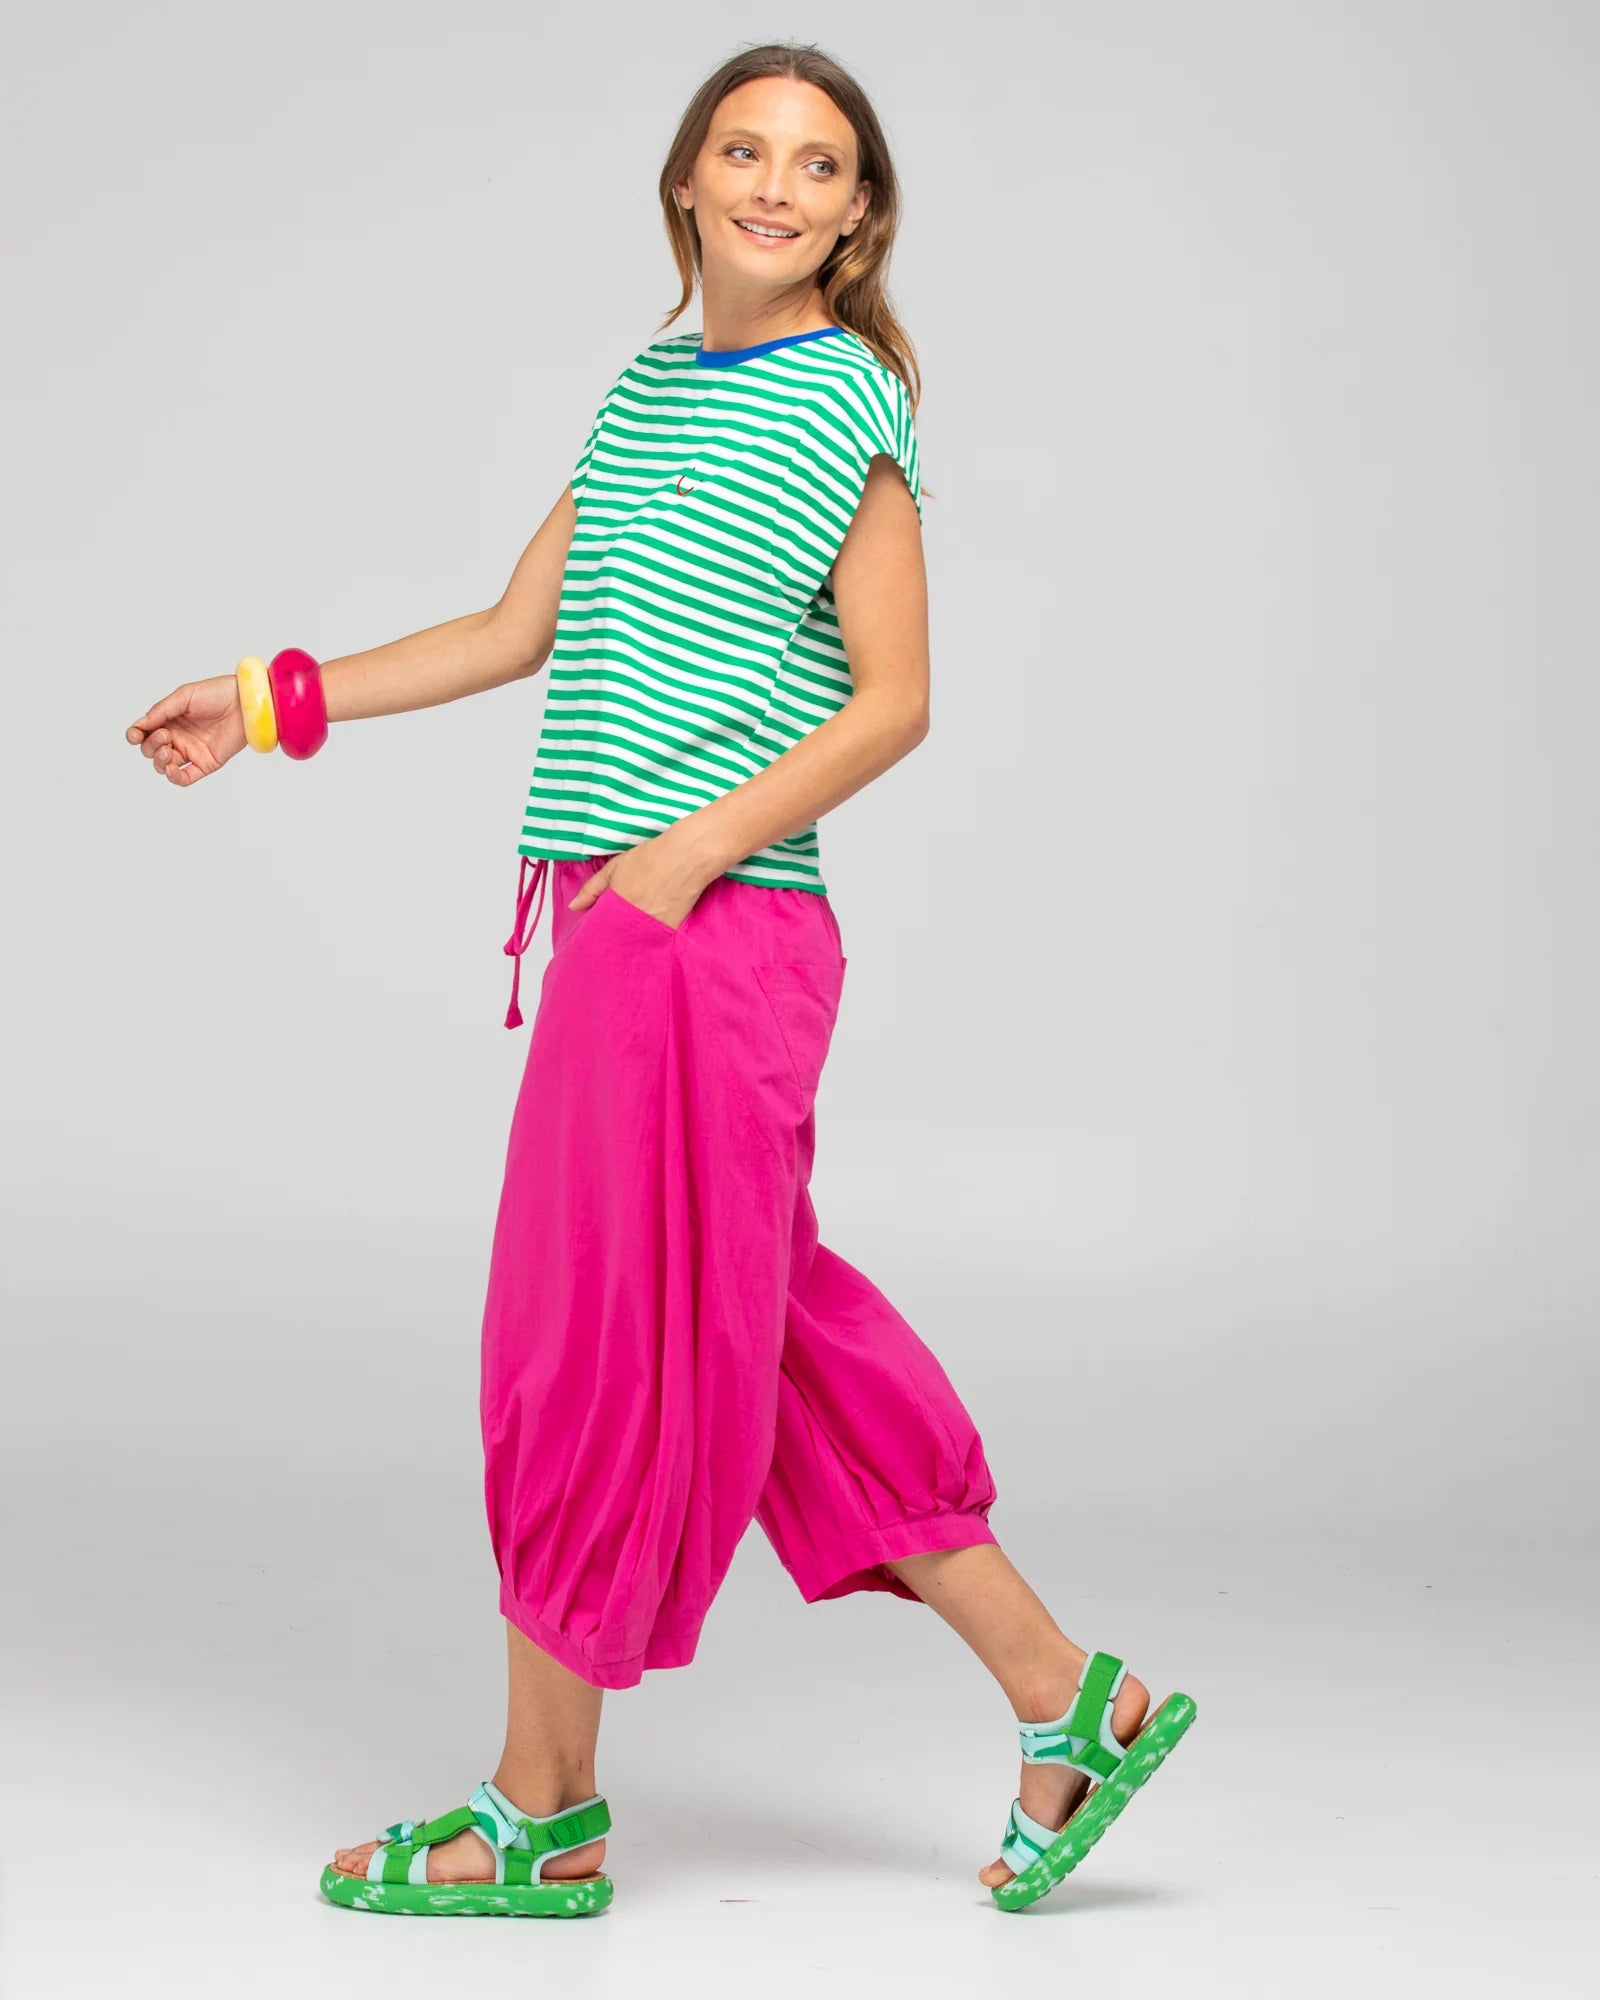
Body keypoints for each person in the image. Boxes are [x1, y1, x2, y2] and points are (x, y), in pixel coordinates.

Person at [125, 41, 1193, 1920]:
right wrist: (267, 699)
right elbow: (513, 627)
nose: (777, 184)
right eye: (744, 149)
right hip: (631, 929)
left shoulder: (846, 401)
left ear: (859, 215)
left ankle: (541, 1808)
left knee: (589, 1337)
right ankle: (1065, 1695)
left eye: (819, 163)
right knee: (757, 1329)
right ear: (686, 181)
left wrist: (685, 861)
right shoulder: (644, 389)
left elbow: (897, 700)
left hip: (708, 931)